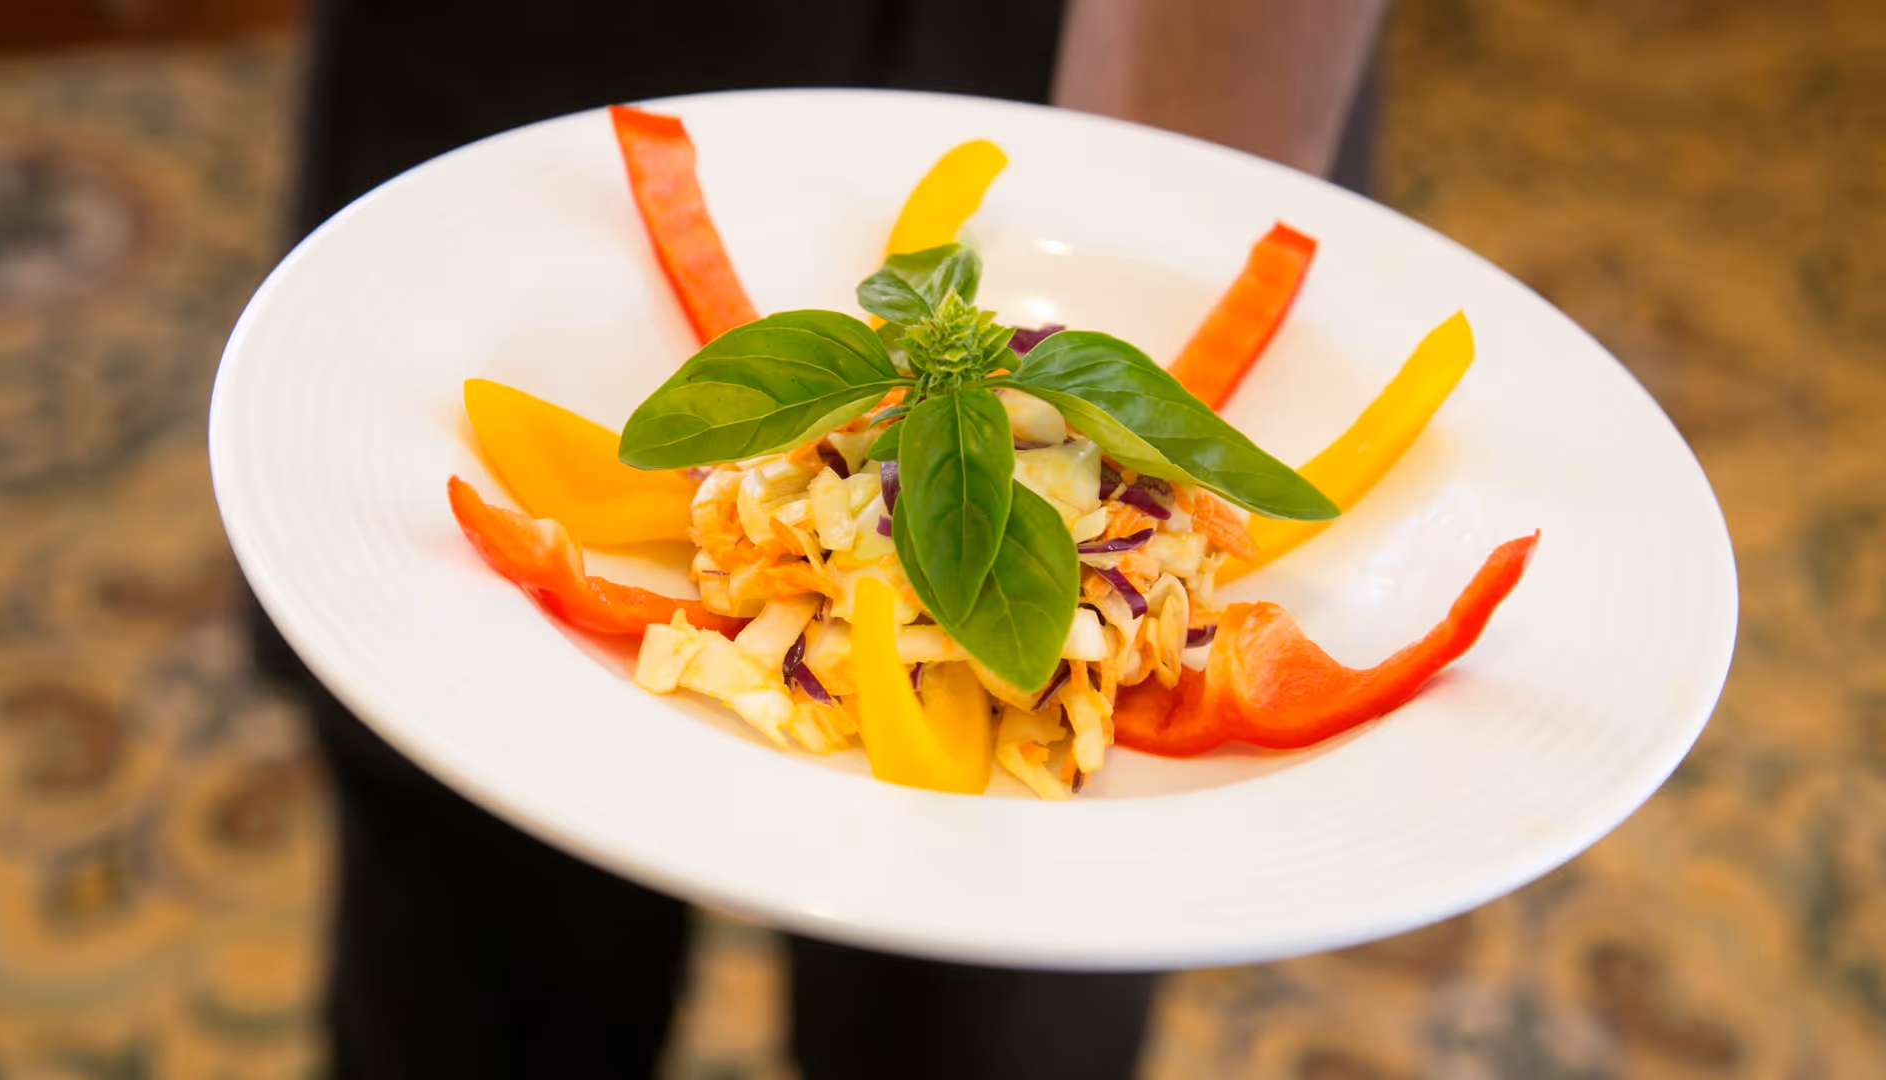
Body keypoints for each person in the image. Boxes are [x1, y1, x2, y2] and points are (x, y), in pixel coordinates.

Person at [256, 2, 1386, 1076]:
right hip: (551, 50)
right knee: (488, 913)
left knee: (978, 1005)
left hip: (1110, 48)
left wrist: (1178, 180)